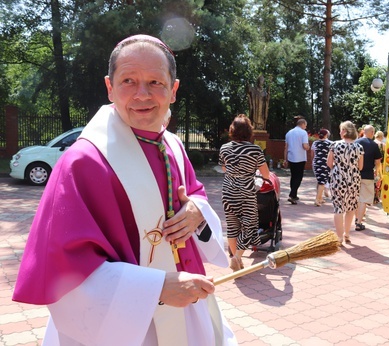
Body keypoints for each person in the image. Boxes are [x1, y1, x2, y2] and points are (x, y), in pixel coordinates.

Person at [12, 34, 237, 345]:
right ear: (109, 87)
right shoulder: (83, 161)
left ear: (173, 90)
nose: (141, 94)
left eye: (155, 82)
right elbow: (64, 264)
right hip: (121, 323)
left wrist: (198, 211)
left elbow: (194, 194)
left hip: (186, 304)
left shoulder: (172, 144)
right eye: (128, 80)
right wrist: (155, 288)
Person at [219, 114, 270, 272]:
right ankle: (237, 258)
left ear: (232, 130)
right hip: (246, 193)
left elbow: (223, 168)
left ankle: (236, 262)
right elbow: (266, 174)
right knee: (250, 227)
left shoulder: (224, 148)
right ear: (249, 131)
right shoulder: (255, 149)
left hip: (228, 191)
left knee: (232, 228)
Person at [327, 121, 364, 244]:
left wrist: (337, 170)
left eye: (341, 129)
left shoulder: (335, 145)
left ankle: (339, 238)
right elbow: (360, 167)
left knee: (338, 208)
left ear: (345, 131)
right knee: (351, 208)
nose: (339, 132)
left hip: (338, 179)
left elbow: (329, 163)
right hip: (353, 180)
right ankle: (347, 234)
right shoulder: (359, 147)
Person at [354, 124, 383, 231]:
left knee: (356, 198)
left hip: (355, 175)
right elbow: (377, 161)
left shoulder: (356, 143)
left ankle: (356, 217)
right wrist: (377, 172)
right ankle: (358, 222)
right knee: (363, 199)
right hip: (367, 175)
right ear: (372, 133)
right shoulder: (374, 145)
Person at [283, 117, 310, 204]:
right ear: (302, 124)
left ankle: (294, 195)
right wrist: (308, 147)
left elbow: (286, 147)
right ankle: (292, 194)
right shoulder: (303, 133)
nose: (305, 127)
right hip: (300, 158)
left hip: (291, 157)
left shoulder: (289, 133)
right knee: (299, 177)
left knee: (293, 176)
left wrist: (285, 159)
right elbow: (305, 146)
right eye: (305, 125)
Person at [310, 128, 332, 206]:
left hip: (316, 163)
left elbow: (312, 154)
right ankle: (317, 200)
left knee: (320, 181)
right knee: (322, 182)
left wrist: (313, 162)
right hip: (325, 164)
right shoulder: (331, 143)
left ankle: (320, 198)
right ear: (326, 135)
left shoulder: (315, 143)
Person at [373, 130, 386, 204]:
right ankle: (376, 197)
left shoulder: (372, 143)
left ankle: (370, 196)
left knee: (372, 180)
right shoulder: (382, 145)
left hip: (371, 164)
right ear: (381, 136)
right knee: (378, 180)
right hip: (380, 165)